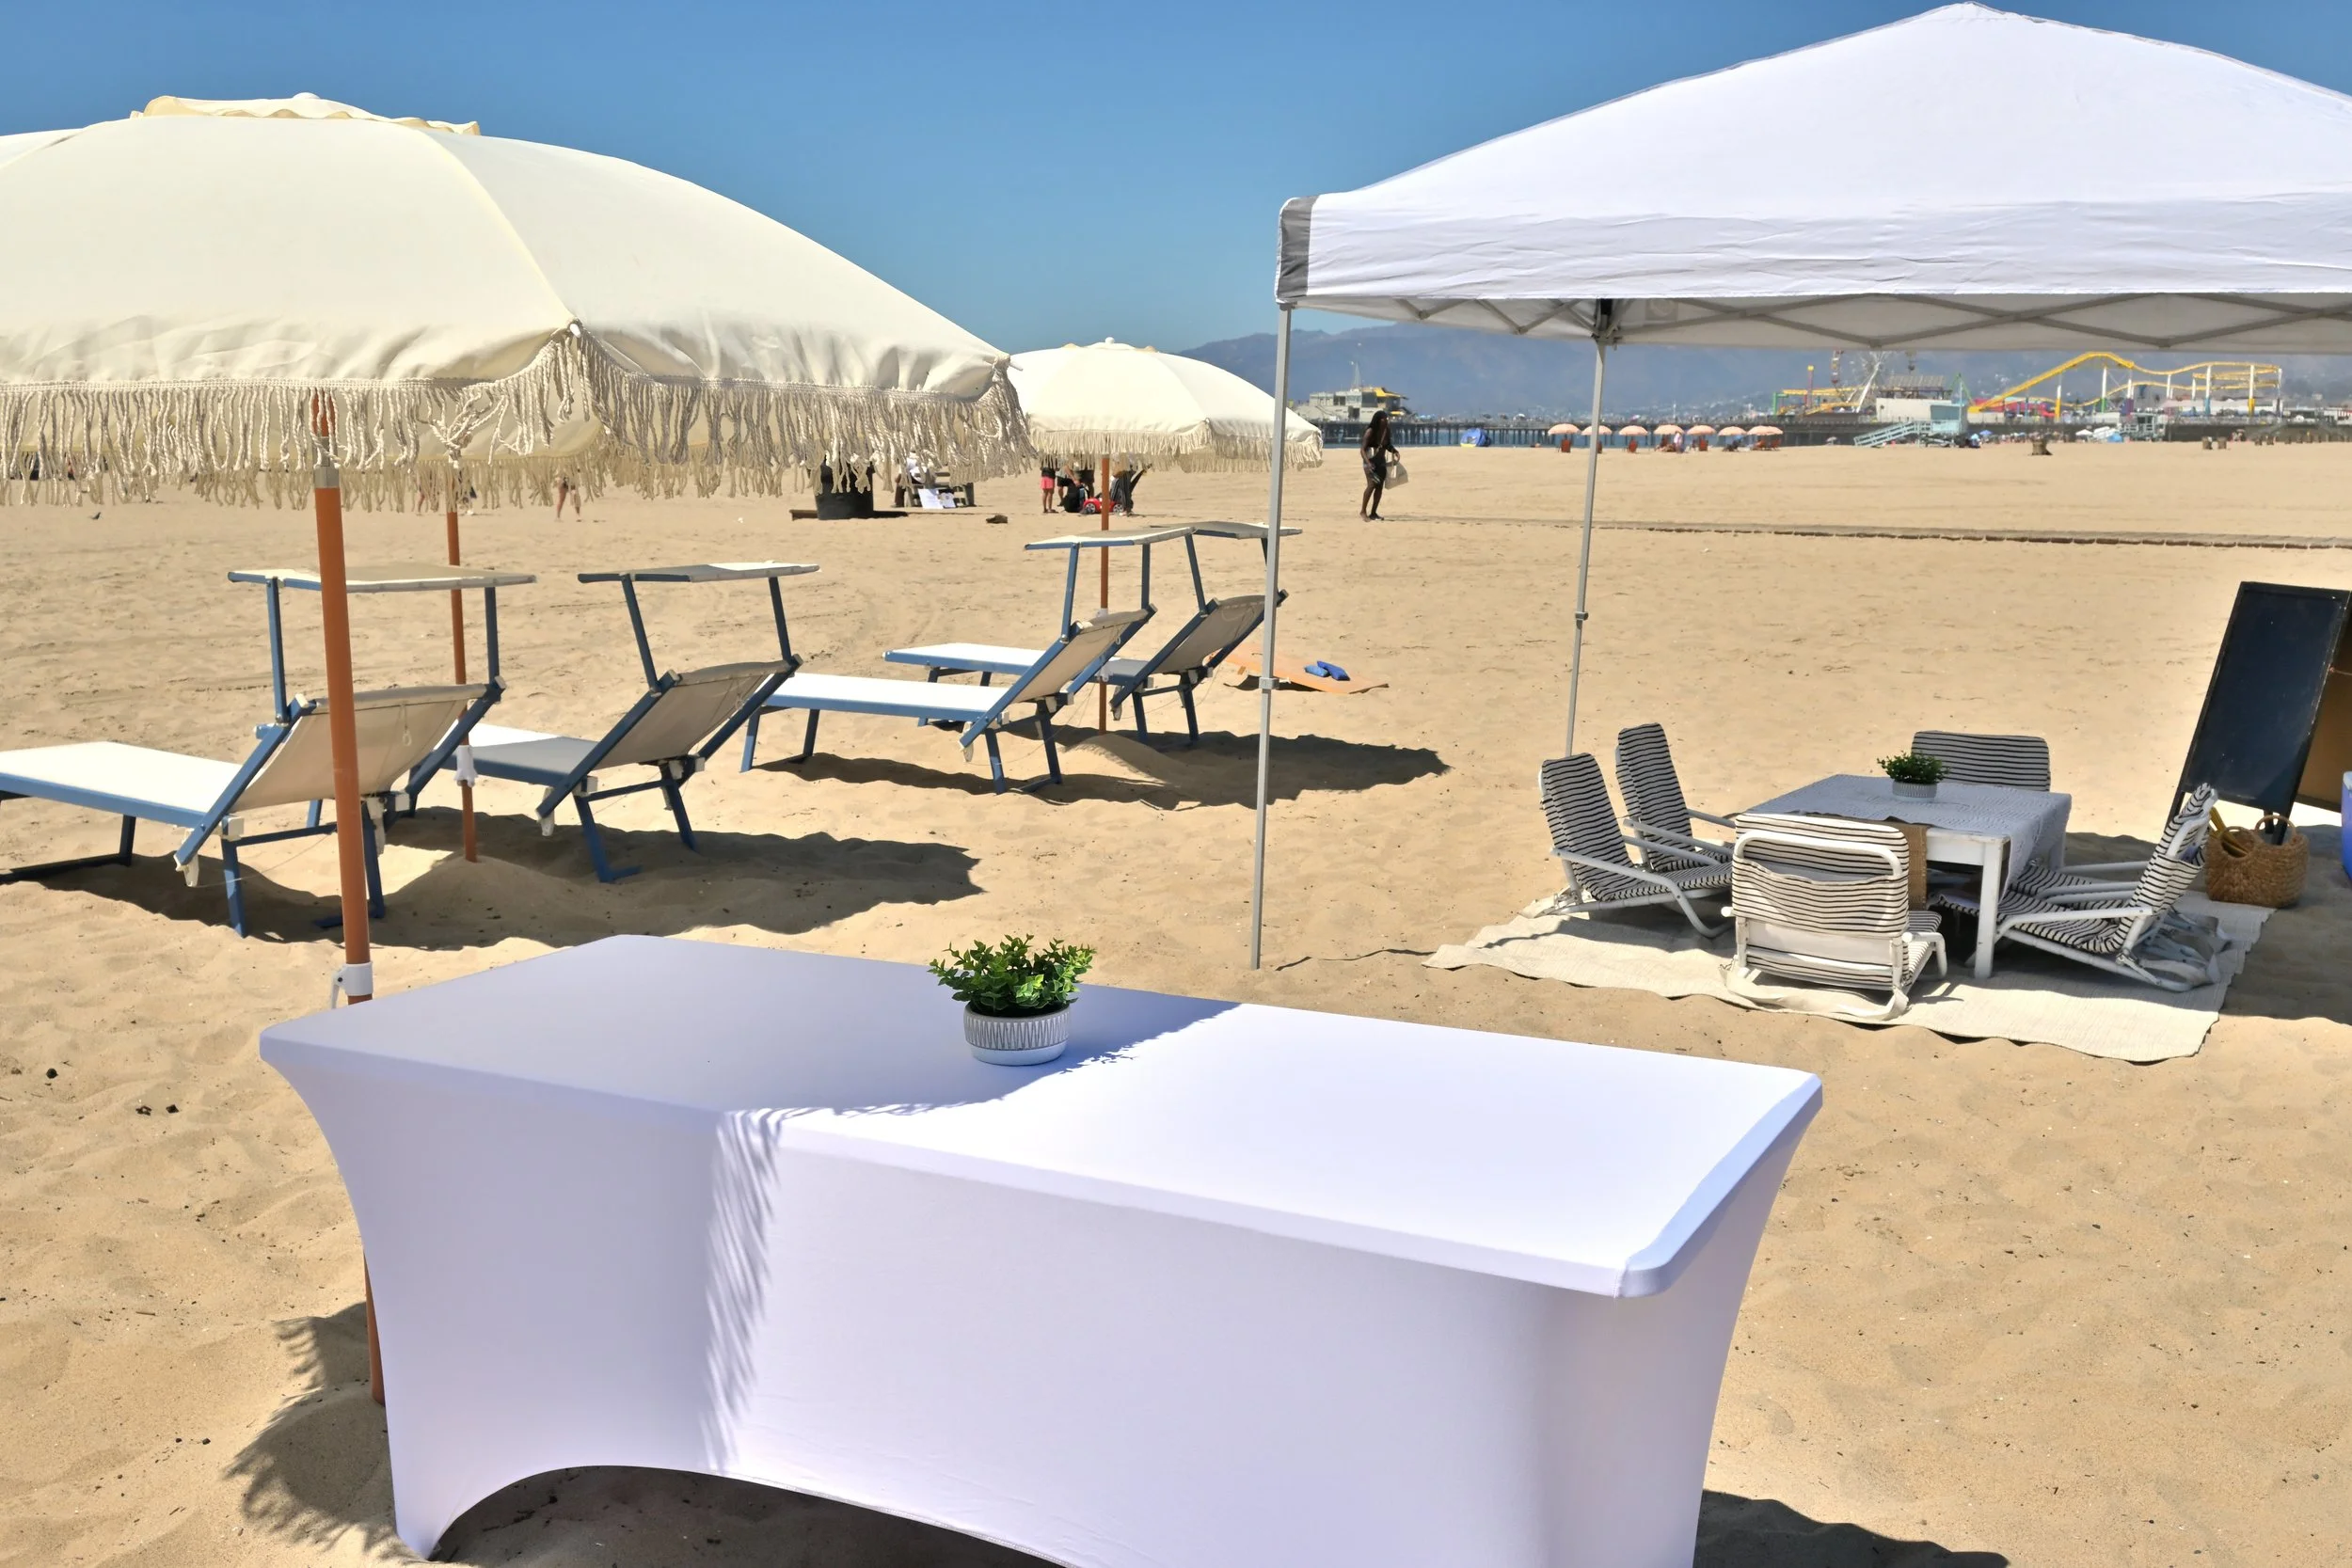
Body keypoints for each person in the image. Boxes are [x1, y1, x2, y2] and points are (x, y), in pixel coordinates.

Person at [1360, 410, 1398, 520]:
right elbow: (1362, 449)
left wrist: (1394, 451)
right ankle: (1363, 511)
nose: (1386, 420)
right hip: (1370, 462)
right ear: (1378, 420)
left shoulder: (1387, 430)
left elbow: (1387, 445)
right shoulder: (1370, 431)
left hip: (1381, 461)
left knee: (1379, 487)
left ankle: (1373, 513)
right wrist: (1368, 463)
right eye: (1384, 418)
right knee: (1371, 485)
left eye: (1387, 418)